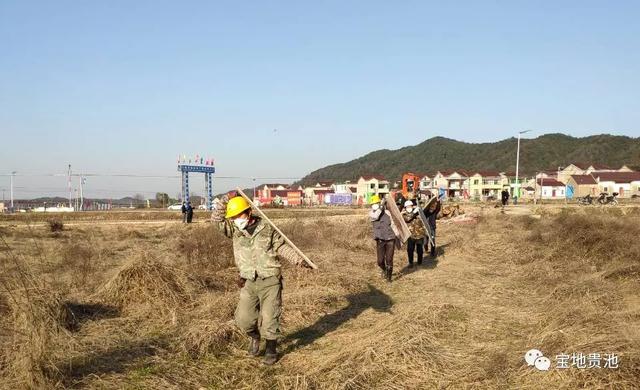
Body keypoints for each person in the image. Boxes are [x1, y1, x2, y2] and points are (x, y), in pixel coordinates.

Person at [211, 195, 307, 365]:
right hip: (248, 280)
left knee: (270, 317)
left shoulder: (267, 227)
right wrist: (226, 199)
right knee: (243, 319)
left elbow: (281, 247)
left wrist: (298, 260)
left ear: (248, 212)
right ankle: (254, 337)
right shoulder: (234, 230)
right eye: (233, 217)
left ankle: (271, 350)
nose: (236, 219)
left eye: (238, 215)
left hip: (270, 279)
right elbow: (216, 219)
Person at [369, 194, 398, 282]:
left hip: (390, 238)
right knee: (380, 261)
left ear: (379, 203)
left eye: (376, 203)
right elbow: (376, 216)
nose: (374, 205)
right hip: (380, 239)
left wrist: (397, 235)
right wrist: (380, 207)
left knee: (389, 259)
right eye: (373, 204)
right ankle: (384, 270)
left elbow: (393, 224)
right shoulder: (371, 213)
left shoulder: (387, 212)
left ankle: (389, 278)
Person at [401, 200, 426, 267]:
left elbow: (424, 221)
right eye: (407, 207)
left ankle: (420, 261)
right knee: (410, 250)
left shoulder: (419, 213)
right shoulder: (404, 215)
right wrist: (414, 212)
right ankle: (411, 262)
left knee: (420, 250)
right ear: (405, 208)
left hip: (419, 234)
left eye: (410, 206)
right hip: (410, 235)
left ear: (412, 206)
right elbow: (408, 219)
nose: (409, 208)